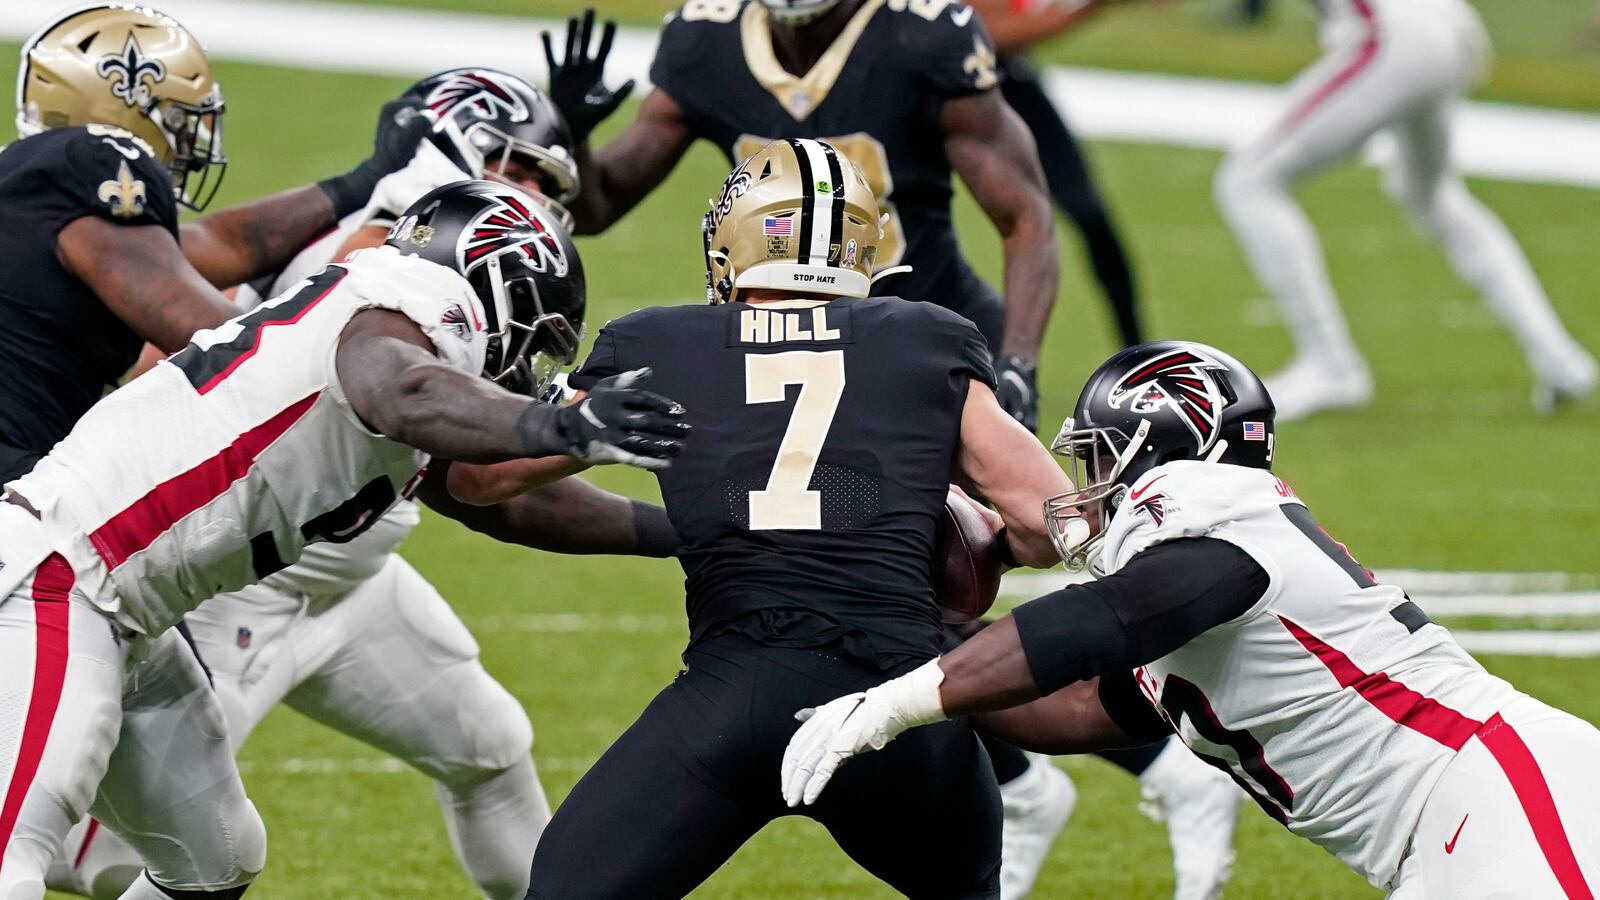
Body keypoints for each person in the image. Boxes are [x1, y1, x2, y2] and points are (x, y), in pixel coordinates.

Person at [44, 70, 660, 900]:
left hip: (351, 568)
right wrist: (566, 430)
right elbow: (396, 398)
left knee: (490, 745)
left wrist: (659, 512)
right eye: (520, 172)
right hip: (233, 581)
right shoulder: (391, 262)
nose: (535, 199)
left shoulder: (422, 249)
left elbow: (473, 480)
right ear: (451, 140)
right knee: (109, 849)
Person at [449, 139, 1067, 899]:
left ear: (733, 239)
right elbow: (1046, 522)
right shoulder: (924, 338)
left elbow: (480, 478)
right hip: (895, 698)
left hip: (730, 698)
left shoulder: (657, 344)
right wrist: (978, 544)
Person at [783, 340, 1600, 898]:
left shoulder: (1218, 527)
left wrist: (898, 704)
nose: (1085, 483)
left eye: (1098, 456)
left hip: (1500, 793)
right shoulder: (1202, 583)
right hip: (1452, 822)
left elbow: (1092, 624)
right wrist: (904, 641)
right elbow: (1070, 709)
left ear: (1155, 449)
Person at [542, 3, 1058, 432]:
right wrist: (575, 136)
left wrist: (1016, 364)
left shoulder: (919, 35)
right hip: (782, 347)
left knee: (956, 541)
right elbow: (597, 206)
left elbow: (1026, 217)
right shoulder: (707, 43)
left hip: (929, 340)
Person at [1, 3, 432, 485]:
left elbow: (216, 243)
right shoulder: (91, 160)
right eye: (181, 122)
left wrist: (363, 181)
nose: (191, 144)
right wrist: (369, 354)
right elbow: (222, 342)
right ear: (125, 103)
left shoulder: (44, 199)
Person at [1213, 0, 1597, 419]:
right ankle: (1558, 357)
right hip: (1450, 29)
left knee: (1248, 181)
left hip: (1392, 36)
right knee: (1434, 197)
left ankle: (1331, 364)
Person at [962, 0, 1143, 347]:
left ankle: (1136, 352)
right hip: (950, 83)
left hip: (1006, 79)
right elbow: (988, 34)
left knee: (1089, 216)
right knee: (907, 216)